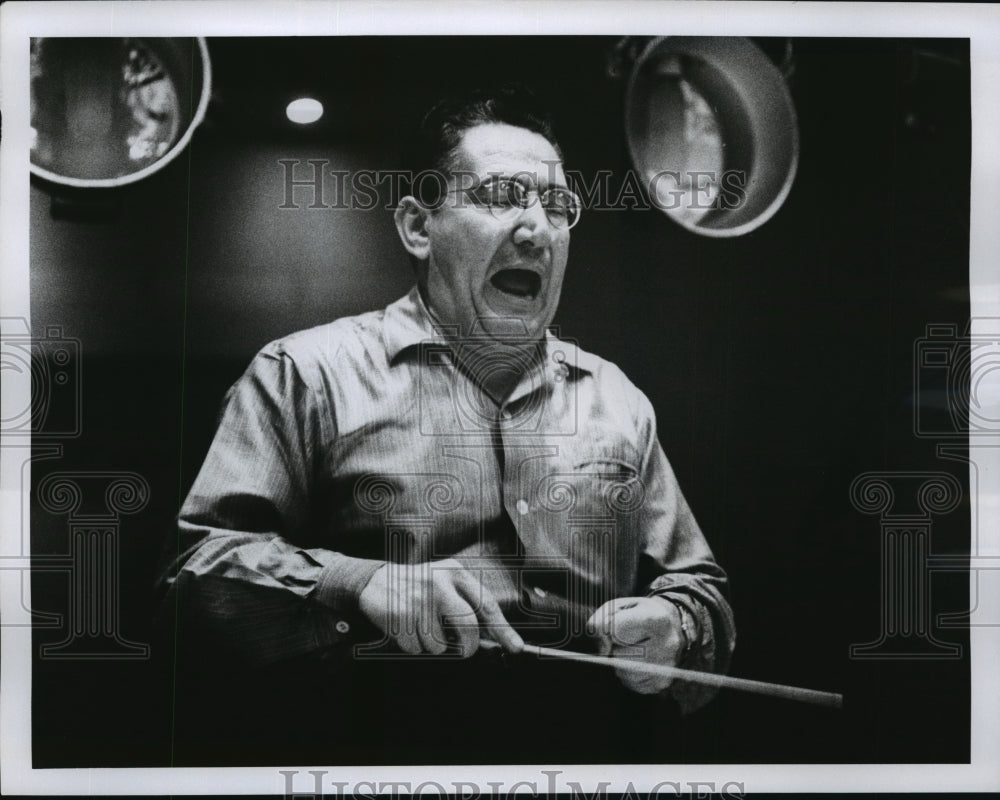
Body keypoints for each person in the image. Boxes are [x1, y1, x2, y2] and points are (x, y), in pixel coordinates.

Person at [159, 86, 735, 765]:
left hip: (585, 759)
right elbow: (197, 573)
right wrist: (361, 582)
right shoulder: (305, 374)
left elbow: (700, 588)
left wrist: (675, 626)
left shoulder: (617, 398)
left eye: (556, 206)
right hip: (368, 758)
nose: (537, 229)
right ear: (417, 227)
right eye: (500, 197)